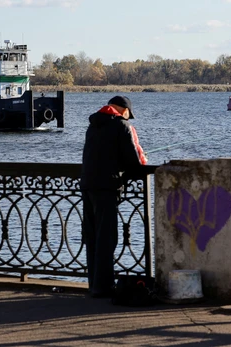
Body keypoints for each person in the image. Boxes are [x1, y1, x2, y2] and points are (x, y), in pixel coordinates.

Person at [80, 95, 147, 298]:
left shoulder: (93, 124)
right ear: (123, 110)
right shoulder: (121, 126)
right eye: (128, 114)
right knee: (107, 238)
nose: (128, 118)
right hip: (107, 187)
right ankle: (103, 287)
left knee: (92, 237)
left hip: (87, 185)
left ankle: (94, 283)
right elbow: (133, 162)